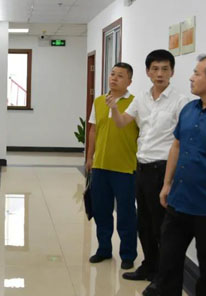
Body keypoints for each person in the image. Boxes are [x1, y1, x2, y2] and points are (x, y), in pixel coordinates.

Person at [142, 55, 206, 296]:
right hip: (178, 201)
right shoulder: (189, 109)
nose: (191, 77)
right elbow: (176, 146)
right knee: (168, 262)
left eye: (197, 73)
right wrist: (167, 184)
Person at [108, 50, 188, 282]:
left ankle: (163, 275)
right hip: (141, 168)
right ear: (147, 72)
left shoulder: (181, 101)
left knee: (162, 226)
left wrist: (170, 180)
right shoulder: (141, 98)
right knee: (144, 223)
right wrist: (114, 107)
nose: (159, 74)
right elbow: (122, 123)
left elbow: (181, 141)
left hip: (163, 169)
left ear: (172, 72)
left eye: (164, 69)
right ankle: (149, 266)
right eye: (155, 69)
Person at [86, 62, 139, 270]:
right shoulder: (99, 101)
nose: (114, 78)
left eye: (120, 76)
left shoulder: (135, 103)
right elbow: (93, 130)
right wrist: (90, 157)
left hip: (125, 167)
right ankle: (103, 249)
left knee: (126, 213)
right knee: (101, 211)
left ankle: (128, 254)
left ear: (129, 81)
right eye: (112, 74)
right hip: (100, 166)